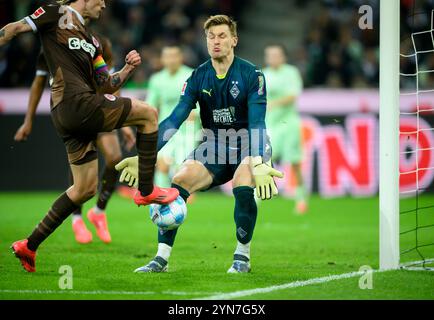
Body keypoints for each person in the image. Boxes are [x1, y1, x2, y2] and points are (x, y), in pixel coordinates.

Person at [0, 0, 179, 273]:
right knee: (149, 114)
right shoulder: (53, 12)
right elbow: (13, 29)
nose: (105, 5)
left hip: (72, 115)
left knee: (84, 188)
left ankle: (30, 245)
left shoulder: (92, 41)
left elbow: (106, 83)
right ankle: (146, 190)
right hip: (74, 103)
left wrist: (128, 70)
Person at [115, 15, 284, 273]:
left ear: (234, 40)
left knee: (242, 185)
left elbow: (258, 123)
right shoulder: (197, 77)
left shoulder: (252, 74)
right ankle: (160, 259)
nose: (216, 41)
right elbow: (175, 118)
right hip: (214, 145)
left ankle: (242, 257)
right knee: (180, 179)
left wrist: (259, 160)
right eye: (211, 37)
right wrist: (146, 156)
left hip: (247, 143)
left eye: (222, 36)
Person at [14, 40, 136, 244]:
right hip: (74, 111)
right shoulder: (52, 47)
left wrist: (123, 124)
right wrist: (28, 121)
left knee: (115, 157)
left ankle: (98, 211)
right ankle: (77, 219)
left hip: (100, 108)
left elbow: (111, 83)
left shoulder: (100, 43)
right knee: (82, 169)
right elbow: (38, 83)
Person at [263, 44, 308, 214]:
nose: (273, 58)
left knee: (295, 163)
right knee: (263, 161)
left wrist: (273, 103)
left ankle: (301, 198)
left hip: (288, 123)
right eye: (270, 55)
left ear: (283, 57)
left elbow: (293, 95)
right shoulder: (262, 75)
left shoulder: (291, 72)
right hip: (270, 124)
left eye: (276, 55)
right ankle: (256, 197)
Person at [146, 46, 198, 189]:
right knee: (162, 163)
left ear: (181, 57)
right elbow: (151, 105)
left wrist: (196, 112)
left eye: (174, 56)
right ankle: (160, 197)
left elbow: (202, 100)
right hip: (166, 128)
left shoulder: (192, 75)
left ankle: (180, 199)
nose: (171, 60)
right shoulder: (156, 79)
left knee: (182, 169)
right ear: (162, 59)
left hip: (187, 129)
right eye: (167, 56)